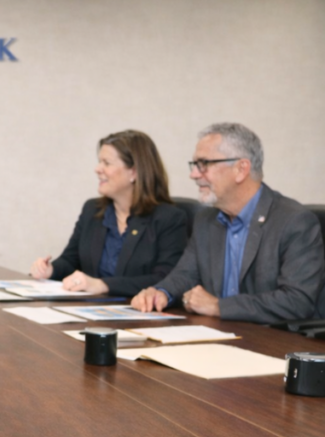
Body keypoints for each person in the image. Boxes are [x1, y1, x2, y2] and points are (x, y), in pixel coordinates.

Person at [132, 123, 324, 323]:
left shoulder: (294, 221)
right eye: (195, 165)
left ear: (241, 169)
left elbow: (297, 301)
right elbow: (185, 274)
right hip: (219, 335)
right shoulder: (205, 220)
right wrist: (160, 292)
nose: (194, 174)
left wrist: (218, 307)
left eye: (204, 164)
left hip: (273, 341)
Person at [28, 130, 188, 297]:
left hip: (139, 315)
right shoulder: (92, 210)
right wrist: (50, 270)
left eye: (107, 163)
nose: (97, 169)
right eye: (99, 162)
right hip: (90, 312)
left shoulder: (169, 218)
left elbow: (166, 279)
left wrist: (103, 285)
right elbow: (70, 260)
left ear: (133, 172)